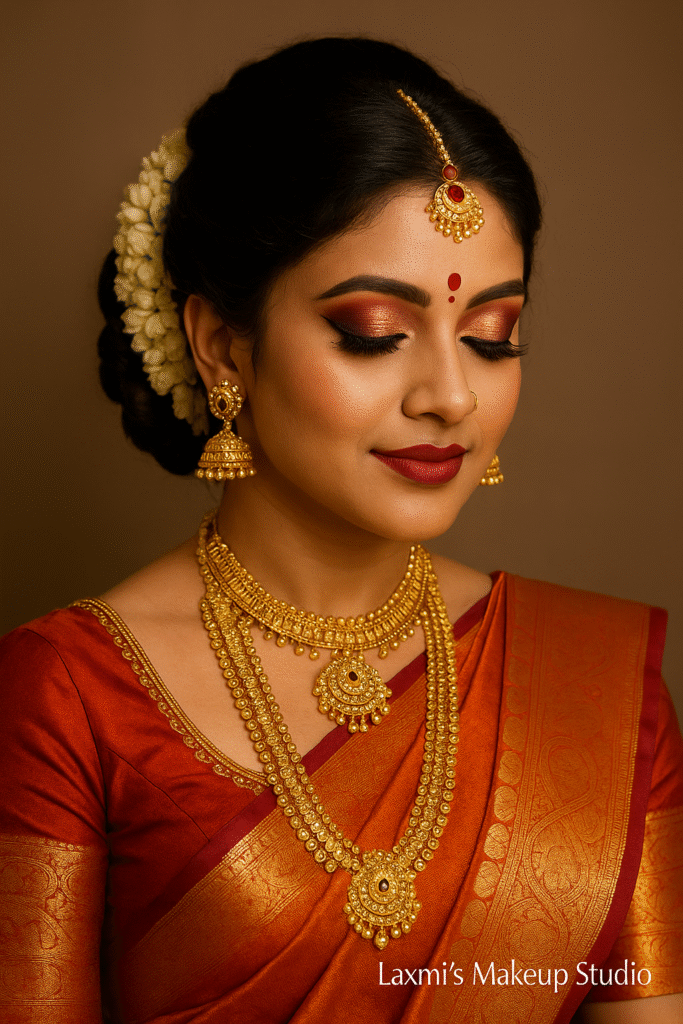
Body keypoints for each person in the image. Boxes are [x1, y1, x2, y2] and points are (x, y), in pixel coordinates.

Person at [0, 37, 680, 1024]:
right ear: (221, 344)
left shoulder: (597, 692)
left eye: (491, 337)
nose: (451, 395)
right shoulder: (66, 696)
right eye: (372, 330)